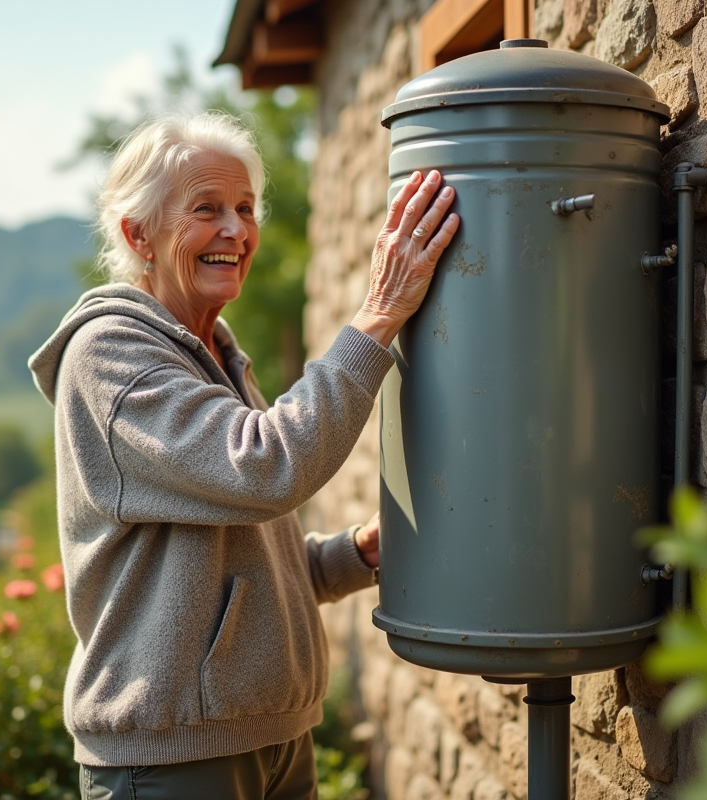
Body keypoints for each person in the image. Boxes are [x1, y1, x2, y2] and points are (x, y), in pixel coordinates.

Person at [29, 111, 459, 800]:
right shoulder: (112, 354)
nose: (236, 230)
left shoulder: (213, 353)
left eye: (246, 208)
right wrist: (379, 314)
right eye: (207, 209)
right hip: (175, 759)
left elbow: (233, 555)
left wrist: (354, 554)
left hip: (270, 738)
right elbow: (265, 468)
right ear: (139, 234)